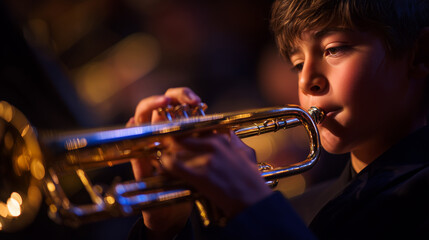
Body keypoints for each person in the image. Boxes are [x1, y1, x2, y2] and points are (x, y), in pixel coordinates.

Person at [127, 0, 429, 239]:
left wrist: (249, 201)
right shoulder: (299, 209)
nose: (307, 80)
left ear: (419, 55)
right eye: (298, 64)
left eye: (333, 49)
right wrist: (165, 229)